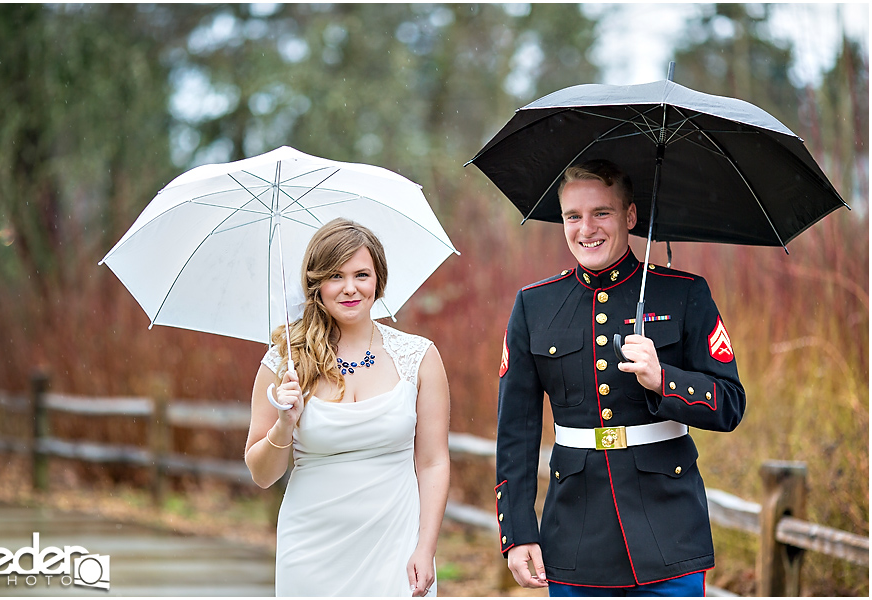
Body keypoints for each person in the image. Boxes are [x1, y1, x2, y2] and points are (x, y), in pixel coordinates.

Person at [495, 159, 746, 596]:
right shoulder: (534, 306)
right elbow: (516, 432)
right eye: (573, 216)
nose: (585, 228)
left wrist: (663, 378)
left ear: (630, 216)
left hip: (669, 531)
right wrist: (517, 533)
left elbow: (729, 404)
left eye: (601, 213)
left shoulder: (684, 293)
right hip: (573, 534)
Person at [245, 218, 451, 597]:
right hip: (311, 554)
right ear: (316, 284)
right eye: (336, 276)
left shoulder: (418, 356)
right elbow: (262, 474)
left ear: (379, 280)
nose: (351, 288)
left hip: (397, 547)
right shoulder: (284, 362)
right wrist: (283, 425)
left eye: (362, 274)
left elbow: (434, 461)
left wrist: (426, 546)